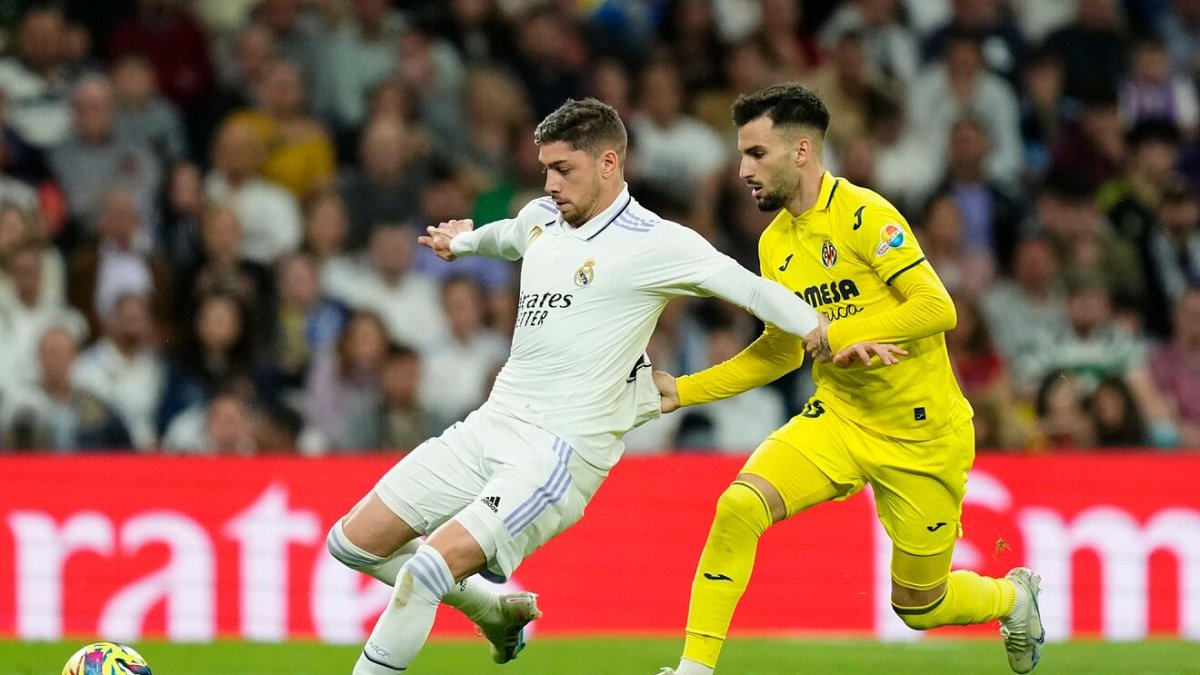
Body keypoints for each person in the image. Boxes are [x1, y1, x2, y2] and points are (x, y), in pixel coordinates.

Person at [326, 98, 836, 675]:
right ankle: (494, 610)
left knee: (426, 572)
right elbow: (510, 236)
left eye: (563, 169)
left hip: (557, 453)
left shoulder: (657, 242)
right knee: (351, 544)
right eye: (545, 169)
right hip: (491, 425)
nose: (550, 184)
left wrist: (820, 329)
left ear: (608, 163)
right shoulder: (543, 216)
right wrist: (465, 242)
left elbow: (752, 290)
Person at [652, 84, 1044, 675]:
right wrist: (686, 390)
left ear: (801, 151)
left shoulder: (865, 215)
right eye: (741, 155)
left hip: (921, 434)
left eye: (756, 154)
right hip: (838, 417)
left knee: (920, 605)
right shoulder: (775, 243)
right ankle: (694, 668)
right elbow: (781, 351)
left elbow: (938, 308)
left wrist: (838, 332)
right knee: (738, 505)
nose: (743, 171)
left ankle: (1012, 598)